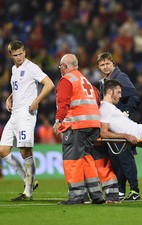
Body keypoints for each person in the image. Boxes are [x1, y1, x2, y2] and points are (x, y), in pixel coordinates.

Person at [0, 40, 54, 201]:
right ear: (10, 55)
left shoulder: (31, 67)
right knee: (3, 150)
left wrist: (37, 101)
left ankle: (28, 191)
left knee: (25, 151)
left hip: (26, 114)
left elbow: (49, 84)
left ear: (25, 52)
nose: (18, 57)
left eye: (21, 54)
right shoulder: (13, 69)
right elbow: (20, 88)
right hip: (14, 114)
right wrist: (10, 97)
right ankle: (27, 179)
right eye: (15, 55)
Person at [52, 53, 105, 205]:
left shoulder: (66, 80)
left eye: (61, 66)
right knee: (86, 158)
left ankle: (76, 196)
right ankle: (96, 194)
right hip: (93, 125)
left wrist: (58, 121)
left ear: (65, 66)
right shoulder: (85, 80)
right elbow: (96, 97)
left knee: (72, 160)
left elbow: (63, 103)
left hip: (76, 125)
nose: (60, 69)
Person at [96, 52, 140, 201]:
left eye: (107, 63)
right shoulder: (103, 82)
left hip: (121, 125)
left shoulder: (120, 78)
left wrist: (126, 112)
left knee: (125, 158)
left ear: (113, 64)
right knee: (117, 159)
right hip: (112, 125)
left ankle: (134, 190)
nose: (105, 67)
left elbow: (134, 95)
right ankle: (121, 189)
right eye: (102, 65)